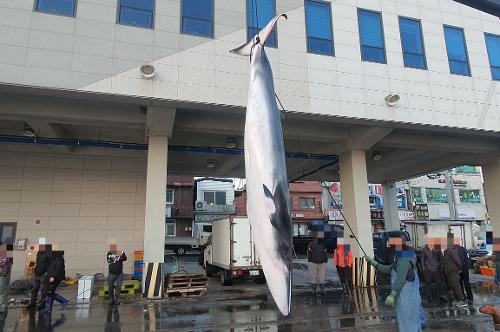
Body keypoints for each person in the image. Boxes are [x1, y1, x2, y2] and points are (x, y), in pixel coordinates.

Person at [366, 236, 425, 332]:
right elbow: (390, 268)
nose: (390, 248)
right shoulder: (401, 256)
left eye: (392, 246)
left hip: (406, 295)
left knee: (408, 319)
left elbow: (401, 279)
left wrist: (393, 294)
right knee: (408, 318)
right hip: (405, 295)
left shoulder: (404, 259)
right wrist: (375, 264)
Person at [443, 236, 467, 307]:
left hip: (453, 272)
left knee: (456, 286)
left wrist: (459, 269)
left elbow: (458, 261)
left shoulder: (452, 250)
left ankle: (462, 301)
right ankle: (458, 300)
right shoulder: (447, 251)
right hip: (449, 272)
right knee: (453, 286)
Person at [420, 238, 444, 303]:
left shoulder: (437, 250)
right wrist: (424, 268)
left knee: (438, 284)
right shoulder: (424, 250)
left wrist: (441, 268)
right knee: (428, 284)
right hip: (427, 270)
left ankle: (437, 297)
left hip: (436, 269)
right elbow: (422, 260)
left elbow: (441, 259)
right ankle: (430, 298)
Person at [27, 244, 49, 310]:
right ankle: (32, 303)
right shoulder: (38, 253)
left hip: (43, 274)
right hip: (37, 273)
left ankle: (42, 304)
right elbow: (37, 262)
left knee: (43, 290)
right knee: (34, 289)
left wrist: (47, 273)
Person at [454, 238, 473, 304]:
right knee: (466, 283)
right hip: (464, 270)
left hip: (459, 270)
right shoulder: (463, 249)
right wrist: (467, 268)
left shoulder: (454, 250)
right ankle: (470, 297)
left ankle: (464, 297)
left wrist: (462, 268)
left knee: (460, 284)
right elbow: (468, 259)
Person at [0, 243, 10, 313]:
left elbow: (2, 262)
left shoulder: (4, 253)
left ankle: (3, 307)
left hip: (2, 275)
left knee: (2, 291)